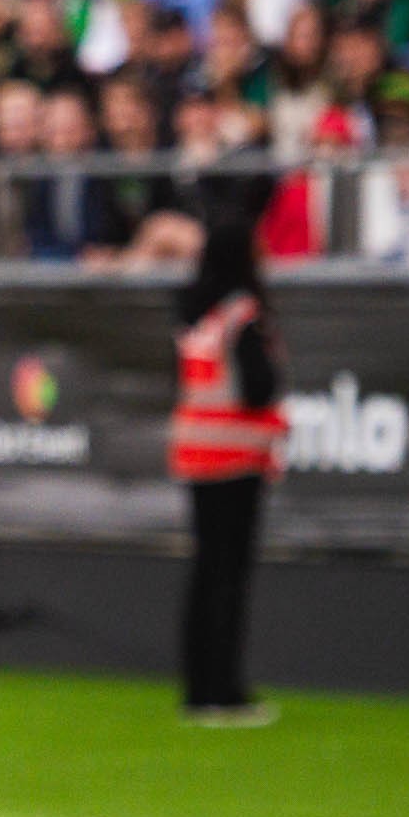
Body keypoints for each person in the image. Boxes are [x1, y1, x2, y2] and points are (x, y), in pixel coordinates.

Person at [169, 215, 287, 726]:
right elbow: (258, 386)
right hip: (236, 456)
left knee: (204, 572)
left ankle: (198, 688)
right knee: (230, 576)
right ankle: (225, 689)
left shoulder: (194, 313)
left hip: (196, 453)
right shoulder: (242, 313)